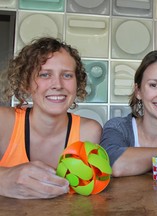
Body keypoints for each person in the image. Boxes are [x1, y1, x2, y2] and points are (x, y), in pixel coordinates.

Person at [0, 37, 102, 199]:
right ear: (26, 83)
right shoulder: (4, 122)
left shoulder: (89, 132)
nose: (58, 85)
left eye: (67, 76)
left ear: (78, 84)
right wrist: (3, 179)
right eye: (45, 74)